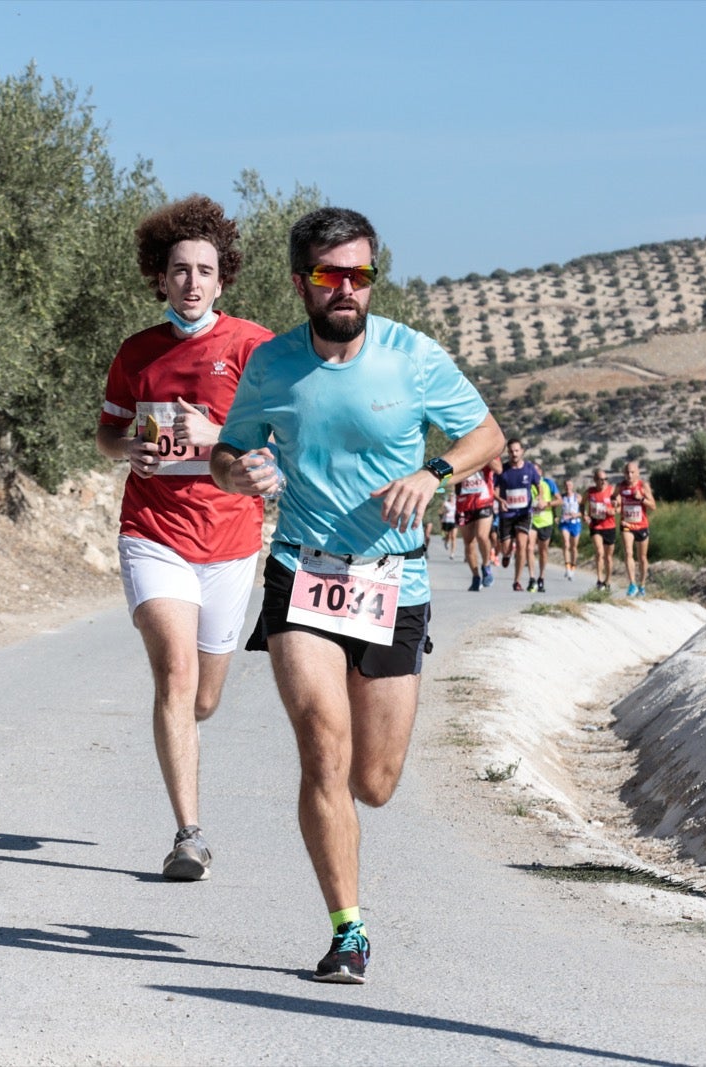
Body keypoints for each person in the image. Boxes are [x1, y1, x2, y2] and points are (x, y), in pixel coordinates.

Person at [210, 207, 502, 984]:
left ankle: (350, 892)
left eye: (359, 274)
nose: (346, 289)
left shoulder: (414, 356)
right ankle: (348, 928)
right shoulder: (272, 365)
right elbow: (227, 451)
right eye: (329, 274)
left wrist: (433, 473)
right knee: (321, 747)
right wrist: (239, 471)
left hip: (393, 579)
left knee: (374, 780)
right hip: (302, 573)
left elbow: (487, 435)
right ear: (301, 280)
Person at [96, 195, 272, 882]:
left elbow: (278, 439)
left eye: (204, 270)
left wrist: (217, 438)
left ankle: (188, 741)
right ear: (159, 278)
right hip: (153, 530)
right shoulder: (137, 352)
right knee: (175, 673)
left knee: (203, 698)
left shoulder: (253, 347)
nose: (191, 282)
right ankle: (188, 836)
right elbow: (108, 431)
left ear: (222, 278)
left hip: (230, 540)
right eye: (179, 270)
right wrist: (125, 451)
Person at [494, 438, 542, 592]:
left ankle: (517, 581)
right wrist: (500, 499)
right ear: (508, 452)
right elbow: (494, 489)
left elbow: (539, 486)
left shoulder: (529, 468)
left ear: (522, 451)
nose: (514, 454)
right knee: (506, 548)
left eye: (516, 450)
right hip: (507, 514)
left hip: (524, 512)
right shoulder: (503, 470)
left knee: (522, 545)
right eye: (511, 451)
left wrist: (540, 497)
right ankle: (507, 554)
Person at [615, 460, 657, 597]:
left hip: (641, 525)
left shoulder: (643, 486)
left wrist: (641, 499)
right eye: (627, 472)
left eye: (632, 472)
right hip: (627, 524)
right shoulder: (620, 486)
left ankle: (642, 585)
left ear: (638, 473)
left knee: (642, 557)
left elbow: (653, 506)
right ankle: (632, 584)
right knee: (628, 553)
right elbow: (613, 499)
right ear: (623, 473)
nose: (630, 475)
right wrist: (615, 501)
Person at [456, 459, 497, 591]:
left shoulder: (488, 447)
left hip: (483, 500)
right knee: (469, 543)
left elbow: (499, 469)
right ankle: (475, 576)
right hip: (464, 503)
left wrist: (485, 453)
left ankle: (486, 566)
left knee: (481, 536)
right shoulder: (460, 448)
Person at [584, 467, 618, 591]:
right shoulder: (590, 492)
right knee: (599, 552)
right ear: (595, 480)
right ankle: (599, 580)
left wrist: (613, 511)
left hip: (609, 526)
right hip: (596, 525)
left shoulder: (612, 491)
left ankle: (607, 581)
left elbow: (619, 508)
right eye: (600, 479)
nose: (603, 482)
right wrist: (585, 515)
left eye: (605, 479)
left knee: (608, 557)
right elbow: (582, 503)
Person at [528, 462, 558, 593]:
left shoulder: (548, 483)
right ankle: (532, 578)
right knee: (529, 547)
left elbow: (559, 500)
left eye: (535, 471)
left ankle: (541, 578)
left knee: (543, 551)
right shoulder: (526, 484)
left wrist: (547, 503)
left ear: (540, 472)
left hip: (546, 520)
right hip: (531, 520)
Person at [556, 477, 584, 581]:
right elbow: (554, 507)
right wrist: (556, 516)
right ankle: (567, 567)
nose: (568, 487)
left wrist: (576, 514)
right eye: (566, 485)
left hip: (575, 524)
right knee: (566, 544)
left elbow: (583, 512)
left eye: (570, 485)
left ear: (573, 486)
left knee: (574, 547)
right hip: (564, 523)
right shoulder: (561, 497)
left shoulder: (578, 497)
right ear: (564, 486)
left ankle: (573, 566)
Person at [438, 490, 458, 560]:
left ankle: (452, 553)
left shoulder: (456, 504)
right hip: (446, 521)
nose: (451, 497)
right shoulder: (445, 503)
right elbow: (440, 511)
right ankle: (446, 541)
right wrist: (444, 511)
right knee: (448, 536)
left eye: (453, 496)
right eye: (450, 496)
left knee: (453, 537)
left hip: (454, 521)